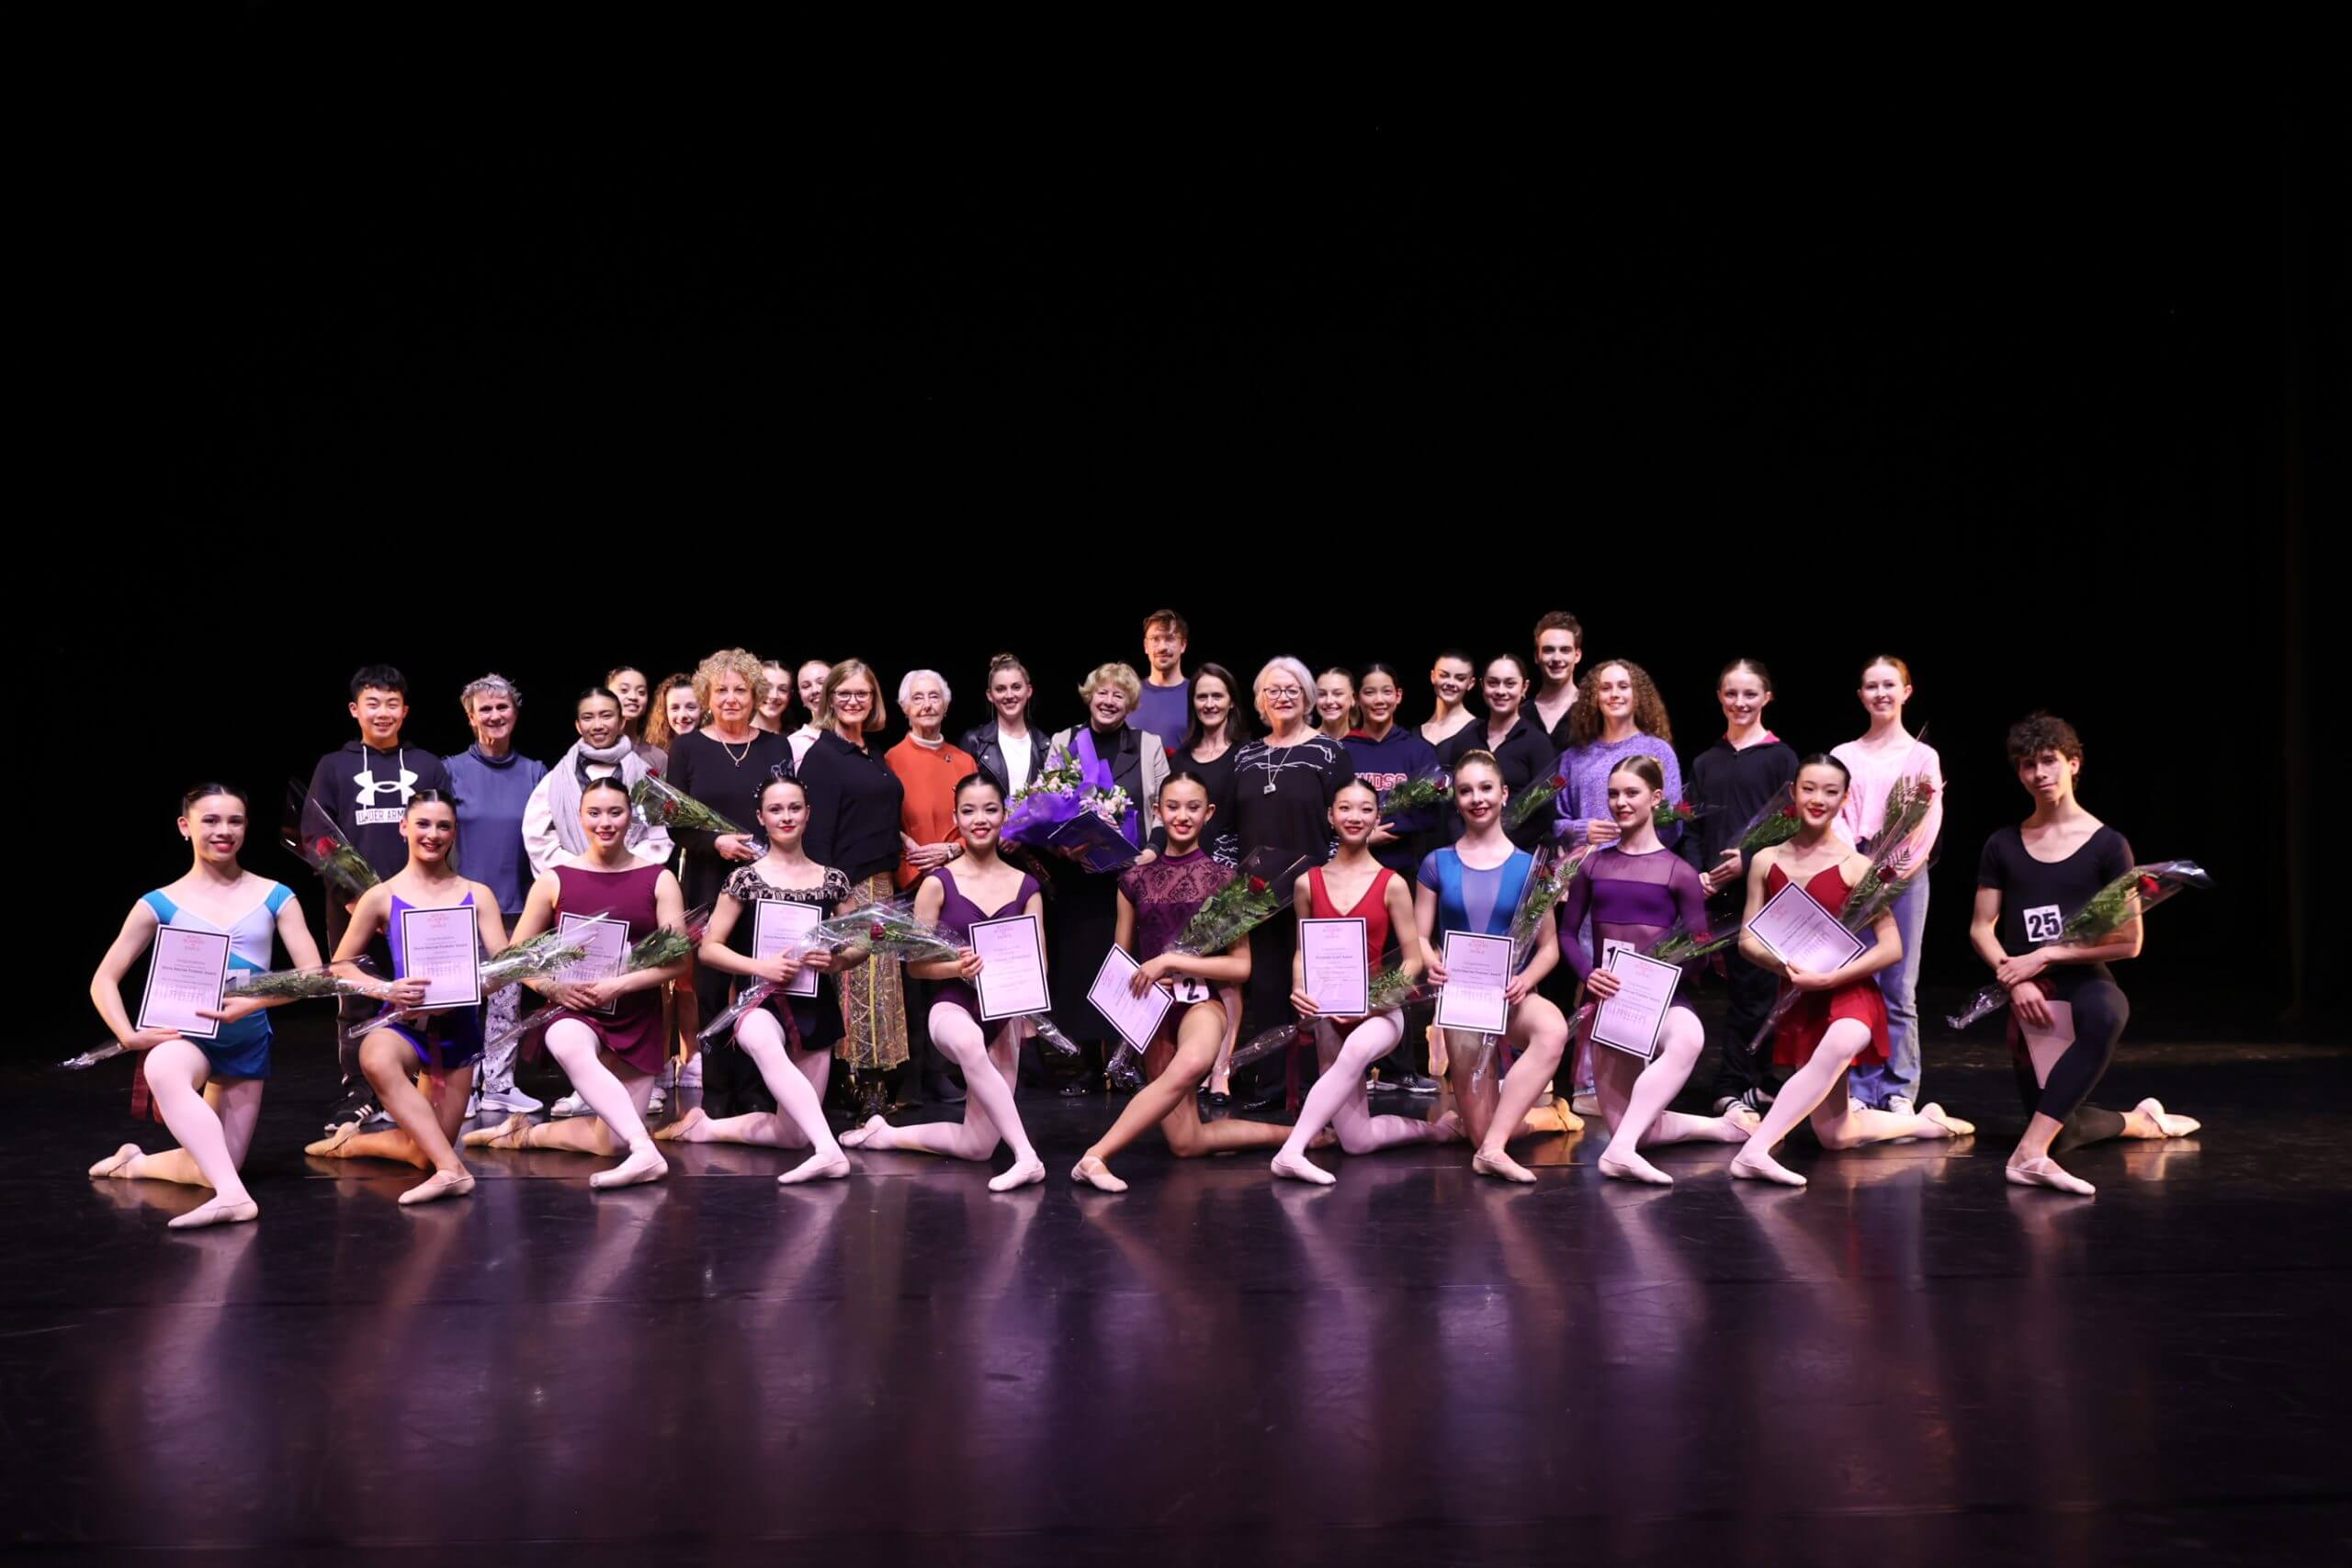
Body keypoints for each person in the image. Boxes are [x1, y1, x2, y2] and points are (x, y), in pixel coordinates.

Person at [1972, 713, 2200, 1197]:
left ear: (2073, 764)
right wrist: (2017, 977)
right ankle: (2139, 1122)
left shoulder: (2108, 845)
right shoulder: (2002, 844)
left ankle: (2028, 1156)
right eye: (2028, 764)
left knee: (2108, 1010)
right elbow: (1980, 928)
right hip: (2028, 990)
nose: (2039, 773)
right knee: (2062, 1127)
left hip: (2082, 980)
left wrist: (2045, 956)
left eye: (2049, 761)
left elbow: (2129, 942)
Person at [85, 784, 324, 1228]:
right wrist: (127, 1035)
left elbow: (313, 977)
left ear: (246, 828)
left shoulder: (275, 895)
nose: (224, 831)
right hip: (186, 1035)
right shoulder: (159, 903)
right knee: (163, 1066)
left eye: (235, 821)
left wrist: (250, 1005)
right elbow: (104, 979)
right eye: (210, 820)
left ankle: (134, 1164)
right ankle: (234, 1199)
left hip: (245, 1039)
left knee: (211, 1167)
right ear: (185, 826)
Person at [1728, 756, 1974, 1187]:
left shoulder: (1858, 867)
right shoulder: (1765, 861)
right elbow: (1747, 939)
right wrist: (1785, 966)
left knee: (1842, 1041)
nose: (1817, 799)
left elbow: (1892, 947)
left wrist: (1828, 978)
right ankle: (1926, 1123)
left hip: (1850, 994)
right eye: (1809, 788)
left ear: (1844, 800)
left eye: (1830, 792)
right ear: (1793, 793)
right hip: (1802, 995)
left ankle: (1754, 1152)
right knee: (1836, 1135)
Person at [1069, 773, 1301, 1190]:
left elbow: (1241, 967)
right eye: (1172, 807)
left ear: (1208, 813)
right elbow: (1120, 961)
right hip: (1153, 1012)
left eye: (1193, 807)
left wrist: (1171, 961)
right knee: (1187, 1142)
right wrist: (1138, 983)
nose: (1182, 816)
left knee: (1193, 1063)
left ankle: (1095, 1156)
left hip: (1201, 1005)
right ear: (1157, 811)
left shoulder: (1227, 882)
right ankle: (1298, 1136)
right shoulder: (1133, 881)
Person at [461, 776, 688, 1190]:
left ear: (630, 817)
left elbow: (678, 962)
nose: (605, 823)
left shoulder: (659, 879)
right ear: (580, 817)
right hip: (574, 1007)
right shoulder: (555, 879)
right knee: (565, 1039)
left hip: (635, 1015)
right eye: (594, 813)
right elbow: (514, 959)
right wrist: (553, 988)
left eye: (615, 812)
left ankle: (523, 1135)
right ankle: (645, 1150)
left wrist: (619, 986)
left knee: (610, 1143)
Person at [1555, 758, 1758, 1185]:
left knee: (1689, 1037)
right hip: (1609, 1000)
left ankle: (1619, 1154)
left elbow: (1699, 956)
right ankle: (1719, 1128)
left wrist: (1685, 952)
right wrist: (1588, 974)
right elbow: (1568, 934)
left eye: (1632, 793)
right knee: (1635, 1127)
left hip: (1660, 1000)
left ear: (1656, 798)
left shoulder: (1678, 873)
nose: (1621, 802)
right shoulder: (1593, 866)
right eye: (1614, 794)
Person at [840, 774, 1049, 1190]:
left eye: (990, 809)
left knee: (978, 1146)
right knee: (969, 1042)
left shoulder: (1027, 887)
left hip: (1004, 1016)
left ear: (1004, 815)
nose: (980, 819)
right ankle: (1028, 1157)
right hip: (952, 1007)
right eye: (969, 811)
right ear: (956, 819)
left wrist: (1028, 1015)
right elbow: (917, 968)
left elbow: (1038, 965)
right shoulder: (937, 884)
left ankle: (885, 1135)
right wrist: (958, 968)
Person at [304, 790, 513, 1205]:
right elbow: (340, 966)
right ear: (404, 828)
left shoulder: (478, 893)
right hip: (406, 1022)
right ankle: (453, 1171)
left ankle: (349, 1143)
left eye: (443, 826)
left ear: (454, 833)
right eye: (423, 824)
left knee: (422, 1154)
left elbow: (505, 965)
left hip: (458, 1028)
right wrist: (385, 989)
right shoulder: (381, 896)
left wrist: (474, 984)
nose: (433, 834)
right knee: (376, 1057)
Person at [659, 772, 858, 1183]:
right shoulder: (745, 878)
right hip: (758, 1000)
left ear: (808, 814)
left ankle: (706, 1128)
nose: (786, 817)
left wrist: (838, 961)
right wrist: (759, 967)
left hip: (815, 1004)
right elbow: (709, 948)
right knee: (760, 1038)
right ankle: (830, 1152)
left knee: (793, 1134)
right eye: (776, 809)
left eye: (794, 808)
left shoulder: (833, 880)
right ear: (761, 817)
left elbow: (862, 943)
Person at [1267, 780, 1462, 1185]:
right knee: (1356, 1141)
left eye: (1365, 809)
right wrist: (1300, 989)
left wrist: (1375, 1000)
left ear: (1377, 817)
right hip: (1329, 1013)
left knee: (1356, 1048)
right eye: (1345, 808)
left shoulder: (1391, 882)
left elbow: (1412, 959)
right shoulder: (1307, 883)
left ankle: (1290, 1151)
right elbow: (1303, 950)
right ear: (1330, 816)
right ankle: (1435, 1131)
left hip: (1381, 1012)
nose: (1355, 817)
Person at [1413, 752, 1575, 1183]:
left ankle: (1494, 1149)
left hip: (1512, 996)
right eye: (1466, 790)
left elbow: (1550, 947)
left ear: (1504, 794)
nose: (1476, 798)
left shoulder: (1531, 867)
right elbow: (1419, 938)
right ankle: (1542, 1117)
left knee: (1553, 1029)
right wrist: (1432, 961)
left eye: (1485, 788)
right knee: (1479, 1132)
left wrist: (1526, 979)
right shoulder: (1436, 863)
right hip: (1464, 1003)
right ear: (1456, 799)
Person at [305, 664, 454, 1133]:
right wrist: (354, 899)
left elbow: (447, 828)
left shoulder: (428, 764)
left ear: (405, 711)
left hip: (422, 904)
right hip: (353, 906)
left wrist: (439, 895)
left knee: (423, 990)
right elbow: (316, 838)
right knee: (357, 994)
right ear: (355, 710)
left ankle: (416, 1082)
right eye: (373, 703)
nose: (383, 712)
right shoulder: (334, 765)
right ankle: (359, 1090)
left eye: (392, 703)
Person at [1212, 658, 1356, 1101]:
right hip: (1256, 898)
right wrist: (1230, 884)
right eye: (1273, 690)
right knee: (1268, 988)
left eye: (1293, 689)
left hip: (1314, 893)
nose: (1283, 697)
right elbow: (1226, 830)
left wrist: (1329, 879)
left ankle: (1317, 1085)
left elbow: (1345, 822)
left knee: (1313, 990)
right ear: (1260, 700)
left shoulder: (1330, 753)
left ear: (1308, 697)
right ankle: (1273, 1084)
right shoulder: (1245, 756)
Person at [1554, 658, 1685, 1114]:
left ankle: (1637, 1080)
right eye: (1605, 687)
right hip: (1590, 877)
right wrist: (1581, 829)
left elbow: (1675, 819)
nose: (1614, 694)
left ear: (1637, 694)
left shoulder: (1657, 751)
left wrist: (1644, 844)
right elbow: (1556, 821)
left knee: (1639, 977)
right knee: (1596, 977)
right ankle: (1590, 1084)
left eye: (1623, 686)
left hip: (1643, 878)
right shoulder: (1576, 756)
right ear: (1593, 696)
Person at [664, 649, 793, 1116]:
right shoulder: (688, 748)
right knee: (712, 992)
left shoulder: (776, 747)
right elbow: (675, 824)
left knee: (761, 987)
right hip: (708, 881)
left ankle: (758, 1091)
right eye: (721, 690)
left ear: (755, 695)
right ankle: (717, 1095)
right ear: (707, 695)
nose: (731, 698)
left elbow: (788, 811)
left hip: (766, 886)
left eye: (741, 689)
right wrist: (715, 842)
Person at [1046, 663, 1170, 1087]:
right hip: (1078, 877)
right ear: (1090, 696)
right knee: (1081, 965)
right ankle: (1082, 1063)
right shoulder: (1064, 741)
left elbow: (1163, 806)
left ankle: (1123, 1061)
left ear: (1130, 704)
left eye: (1119, 695)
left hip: (1130, 877)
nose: (1109, 701)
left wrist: (1152, 851)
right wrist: (1062, 846)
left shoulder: (1148, 744)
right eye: (1103, 692)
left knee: (1125, 965)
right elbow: (1046, 804)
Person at [1832, 656, 1945, 1118]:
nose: (1881, 693)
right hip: (1855, 872)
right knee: (1861, 982)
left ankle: (1899, 1087)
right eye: (1871, 686)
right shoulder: (1845, 754)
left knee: (1899, 986)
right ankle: (1861, 1086)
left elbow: (1927, 822)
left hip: (1905, 875)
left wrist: (1893, 872)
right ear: (1861, 696)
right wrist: (1857, 868)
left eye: (1889, 685)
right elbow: (1836, 816)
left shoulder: (1922, 756)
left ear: (1906, 692)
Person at [1687, 659, 1798, 1119]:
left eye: (1750, 694)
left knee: (1756, 992)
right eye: (1731, 693)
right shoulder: (1705, 761)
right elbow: (1690, 824)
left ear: (1767, 698)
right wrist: (1696, 873)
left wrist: (1748, 861)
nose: (1740, 702)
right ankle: (1755, 1081)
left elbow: (1793, 828)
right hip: (1711, 894)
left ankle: (1736, 1083)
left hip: (1761, 895)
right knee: (1726, 994)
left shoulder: (1781, 758)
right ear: (1719, 697)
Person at [797, 659, 910, 1116]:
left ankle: (876, 1084)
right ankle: (859, 1087)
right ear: (829, 699)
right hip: (850, 887)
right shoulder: (823, 757)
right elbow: (817, 836)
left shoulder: (871, 752)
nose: (853, 701)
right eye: (843, 693)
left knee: (881, 988)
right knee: (857, 986)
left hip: (882, 884)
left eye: (862, 693)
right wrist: (837, 898)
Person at [443, 673, 548, 1118]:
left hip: (518, 905)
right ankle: (461, 1086)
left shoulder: (535, 772)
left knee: (507, 1000)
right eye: (484, 709)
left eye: (502, 707)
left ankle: (500, 1084)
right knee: (462, 1002)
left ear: (515, 713)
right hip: (461, 906)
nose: (494, 715)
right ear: (470, 717)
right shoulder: (449, 770)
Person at [1337, 664, 1442, 1093]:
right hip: (1351, 871)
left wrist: (1390, 828)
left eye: (1386, 692)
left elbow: (1435, 808)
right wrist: (1362, 833)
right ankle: (1356, 1064)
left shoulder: (1416, 749)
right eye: (1369, 692)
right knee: (1356, 960)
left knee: (1402, 963)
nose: (1378, 700)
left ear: (1399, 696)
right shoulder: (1344, 749)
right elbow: (1332, 805)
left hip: (1401, 869)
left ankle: (1400, 1068)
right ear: (1357, 699)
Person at [888, 669, 978, 1105]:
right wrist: (908, 845)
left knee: (949, 975)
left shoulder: (964, 761)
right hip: (909, 882)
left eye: (934, 697)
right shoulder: (891, 759)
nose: (927, 705)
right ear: (905, 707)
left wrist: (952, 850)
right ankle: (911, 1079)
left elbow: (980, 818)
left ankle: (942, 1072)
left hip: (955, 881)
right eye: (918, 698)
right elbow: (880, 816)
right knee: (914, 982)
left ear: (946, 704)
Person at [522, 687, 673, 881]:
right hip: (574, 881)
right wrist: (581, 868)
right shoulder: (557, 779)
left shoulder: (644, 776)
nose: (597, 725)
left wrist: (624, 866)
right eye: (588, 718)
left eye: (606, 716)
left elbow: (660, 835)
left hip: (631, 879)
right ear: (578, 726)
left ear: (621, 722)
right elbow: (537, 837)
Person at [1437, 653, 1556, 850]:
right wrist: (1464, 844)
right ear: (1482, 686)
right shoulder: (1464, 740)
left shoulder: (1538, 743)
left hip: (1516, 853)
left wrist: (1500, 848)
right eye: (1493, 683)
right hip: (1466, 851)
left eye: (1510, 684)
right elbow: (1450, 802)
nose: (1501, 691)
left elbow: (1544, 812)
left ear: (1524, 688)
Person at [959, 652, 1048, 795]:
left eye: (1016, 687)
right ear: (990, 695)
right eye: (1000, 689)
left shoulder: (1045, 745)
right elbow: (963, 797)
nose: (1009, 695)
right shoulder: (974, 742)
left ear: (1028, 691)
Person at [1133, 607, 1193, 745]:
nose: (1162, 647)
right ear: (1146, 646)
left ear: (1183, 645)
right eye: (1155, 639)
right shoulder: (1129, 694)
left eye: (1170, 639)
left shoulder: (1197, 694)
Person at [1530, 612, 1586, 751]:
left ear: (1577, 655)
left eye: (1565, 650)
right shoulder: (1520, 714)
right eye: (1549, 650)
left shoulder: (1592, 711)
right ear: (1537, 656)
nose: (1556, 658)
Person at [638, 671, 700, 774]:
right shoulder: (654, 755)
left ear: (702, 709)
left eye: (691, 707)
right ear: (665, 712)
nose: (682, 715)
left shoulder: (716, 749)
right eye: (675, 708)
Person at [1419, 649, 1477, 751]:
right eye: (1443, 675)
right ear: (1433, 676)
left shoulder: (1479, 732)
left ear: (1471, 683)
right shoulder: (1414, 735)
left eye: (1460, 678)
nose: (1451, 683)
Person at [787, 659, 831, 769]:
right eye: (806, 686)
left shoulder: (856, 732)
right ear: (801, 696)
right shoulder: (793, 743)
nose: (815, 690)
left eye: (822, 683)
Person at [606, 667, 653, 753]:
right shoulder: (585, 751)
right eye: (624, 690)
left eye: (641, 692)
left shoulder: (658, 757)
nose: (633, 697)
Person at [1313, 666, 1359, 743]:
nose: (1329, 701)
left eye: (1338, 694)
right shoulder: (1302, 743)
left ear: (1353, 698)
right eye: (1322, 694)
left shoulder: (1365, 744)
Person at [754, 660, 794, 735]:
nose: (774, 696)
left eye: (783, 689)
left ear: (790, 695)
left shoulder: (797, 738)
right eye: (766, 687)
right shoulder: (734, 732)